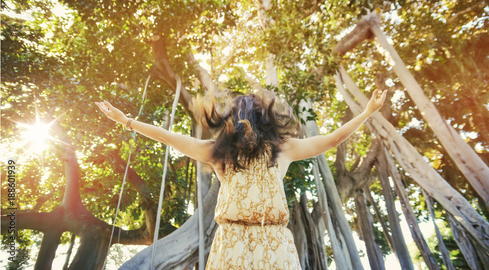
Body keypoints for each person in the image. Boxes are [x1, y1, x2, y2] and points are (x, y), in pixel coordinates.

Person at [95, 88, 387, 269]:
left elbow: (332, 141)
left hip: (274, 243)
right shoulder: (218, 153)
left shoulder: (282, 150)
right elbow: (170, 137)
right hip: (231, 242)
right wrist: (127, 121)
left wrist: (367, 111)